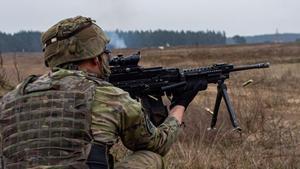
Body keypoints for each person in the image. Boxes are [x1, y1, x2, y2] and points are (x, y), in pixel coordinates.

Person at [0, 16, 204, 169]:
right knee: (151, 158)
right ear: (96, 58)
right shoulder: (109, 95)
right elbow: (157, 143)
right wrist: (179, 105)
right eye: (105, 52)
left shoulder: (9, 99)